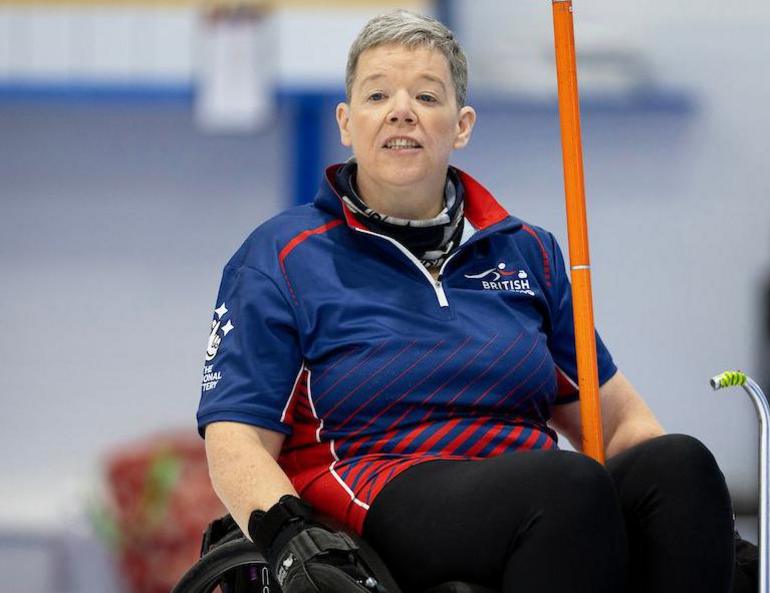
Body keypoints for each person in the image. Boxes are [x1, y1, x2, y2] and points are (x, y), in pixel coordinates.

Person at [197, 9, 734, 593]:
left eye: (427, 96)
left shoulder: (527, 250)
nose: (402, 109)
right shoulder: (283, 255)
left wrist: (701, 532)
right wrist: (289, 536)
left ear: (462, 124)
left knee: (681, 467)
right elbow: (236, 438)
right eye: (378, 94)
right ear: (347, 123)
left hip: (538, 493)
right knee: (567, 489)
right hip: (380, 493)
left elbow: (623, 422)